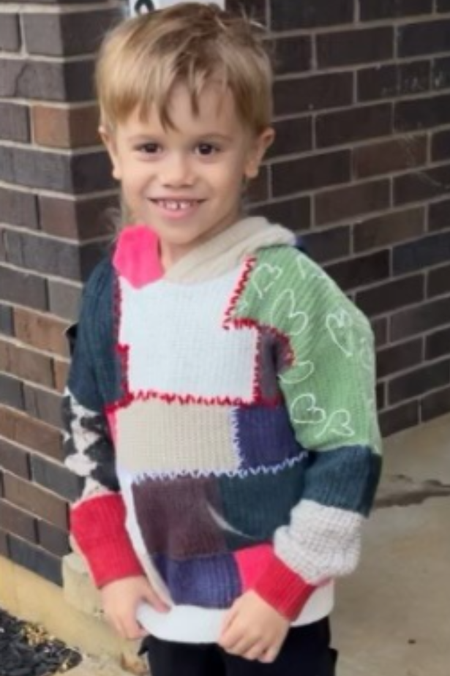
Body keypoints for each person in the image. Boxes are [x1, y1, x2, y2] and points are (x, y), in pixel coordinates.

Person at [62, 4, 381, 674]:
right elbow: (88, 427)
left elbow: (348, 450)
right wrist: (111, 563)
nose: (177, 174)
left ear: (254, 151)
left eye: (206, 147)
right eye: (151, 146)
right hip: (164, 600)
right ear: (112, 149)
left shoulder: (289, 289)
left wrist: (285, 587)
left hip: (272, 610)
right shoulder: (111, 289)